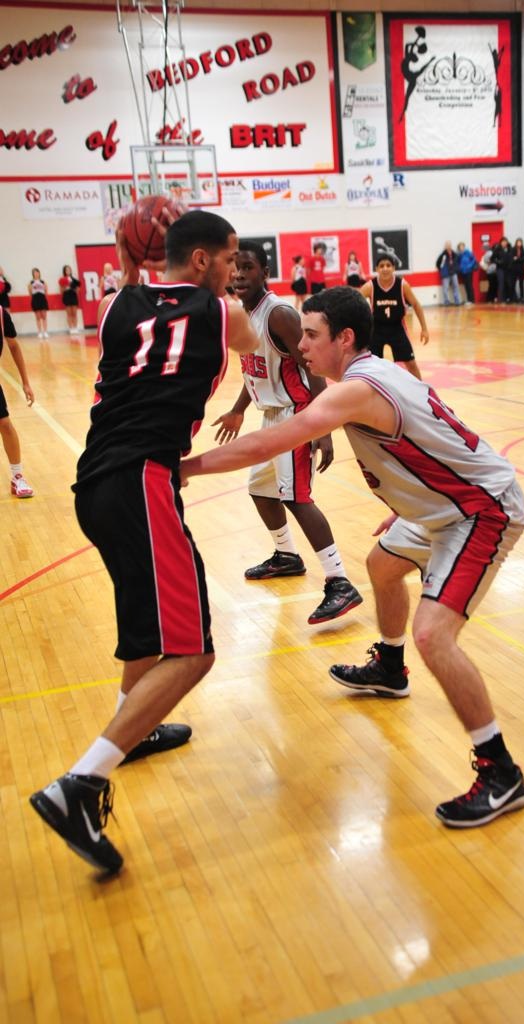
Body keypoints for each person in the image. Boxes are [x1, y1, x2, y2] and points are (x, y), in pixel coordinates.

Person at [181, 286, 524, 829]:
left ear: (344, 339)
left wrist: (184, 468)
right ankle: (390, 669)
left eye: (311, 335)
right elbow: (436, 431)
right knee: (382, 566)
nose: (301, 345)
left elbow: (270, 442)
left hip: (480, 511)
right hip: (442, 505)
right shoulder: (375, 374)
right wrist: (412, 499)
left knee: (433, 635)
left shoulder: (356, 390)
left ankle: (501, 772)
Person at [29, 210, 260, 874]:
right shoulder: (225, 315)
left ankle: (136, 728)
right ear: (201, 260)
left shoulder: (112, 308)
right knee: (193, 653)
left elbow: (145, 302)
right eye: (229, 259)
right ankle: (82, 783)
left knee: (145, 630)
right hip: (144, 481)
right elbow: (256, 337)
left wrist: (136, 260)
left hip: (95, 483)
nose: (234, 271)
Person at [212, 242, 362, 625]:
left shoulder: (277, 314)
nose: (239, 274)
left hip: (296, 415)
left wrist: (322, 424)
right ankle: (287, 556)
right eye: (235, 267)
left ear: (265, 272)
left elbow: (310, 364)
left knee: (296, 498)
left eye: (248, 267)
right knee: (261, 489)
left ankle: (339, 581)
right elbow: (257, 369)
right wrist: (238, 409)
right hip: (272, 417)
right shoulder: (244, 314)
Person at [360, 255, 429, 380]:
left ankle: (422, 389)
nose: (385, 269)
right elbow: (354, 301)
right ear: (376, 269)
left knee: (411, 363)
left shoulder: (402, 285)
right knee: (371, 365)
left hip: (397, 328)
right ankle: (372, 388)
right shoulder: (370, 286)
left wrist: (424, 329)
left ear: (393, 268)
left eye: (388, 265)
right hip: (376, 329)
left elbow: (416, 305)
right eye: (381, 266)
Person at [1, 306, 35, 498]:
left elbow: (13, 346)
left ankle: (17, 477)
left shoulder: (1, 314)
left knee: (5, 424)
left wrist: (26, 382)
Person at [435, 242, 461, 306]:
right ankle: (446, 302)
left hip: (453, 273)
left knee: (456, 287)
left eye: (449, 245)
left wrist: (456, 269)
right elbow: (438, 263)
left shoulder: (454, 254)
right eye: (447, 245)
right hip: (445, 274)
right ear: (445, 247)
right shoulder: (443, 255)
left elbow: (458, 262)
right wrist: (442, 270)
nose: (448, 246)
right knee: (445, 288)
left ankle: (457, 301)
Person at [59, 264, 82, 335]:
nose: (68, 271)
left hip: (73, 295)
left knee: (74, 313)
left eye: (69, 269)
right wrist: (66, 286)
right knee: (69, 313)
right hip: (67, 296)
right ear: (64, 271)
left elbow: (78, 290)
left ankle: (75, 327)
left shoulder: (74, 279)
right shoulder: (62, 279)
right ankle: (71, 328)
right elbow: (61, 291)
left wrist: (74, 287)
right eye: (66, 270)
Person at [28, 268, 49, 337]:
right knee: (38, 317)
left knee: (44, 316)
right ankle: (39, 332)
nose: (36, 274)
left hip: (42, 299)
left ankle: (45, 332)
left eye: (37, 272)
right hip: (35, 299)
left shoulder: (43, 282)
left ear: (39, 273)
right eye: (34, 273)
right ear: (33, 274)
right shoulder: (31, 282)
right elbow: (30, 293)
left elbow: (46, 291)